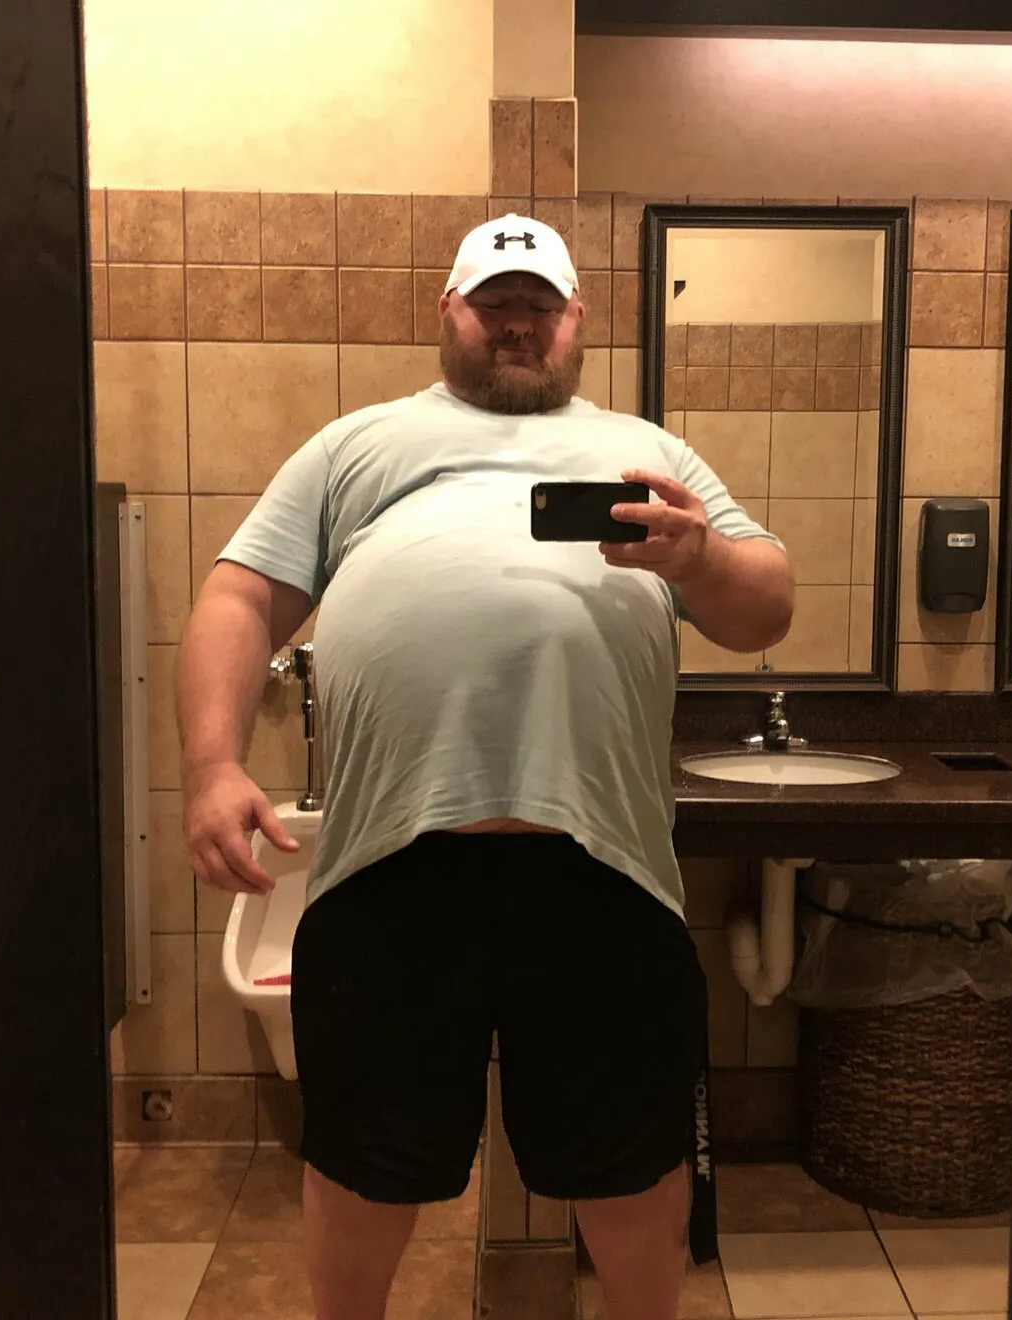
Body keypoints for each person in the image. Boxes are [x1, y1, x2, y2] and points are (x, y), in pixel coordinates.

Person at [177, 212, 795, 1320]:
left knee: (630, 1162)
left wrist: (698, 555)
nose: (518, 323)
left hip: (604, 866)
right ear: (448, 313)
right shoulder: (355, 446)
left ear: (577, 321)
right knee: (362, 1158)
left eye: (539, 306)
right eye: (494, 303)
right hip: (390, 864)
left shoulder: (649, 453)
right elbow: (239, 597)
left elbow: (766, 609)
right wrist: (212, 764)